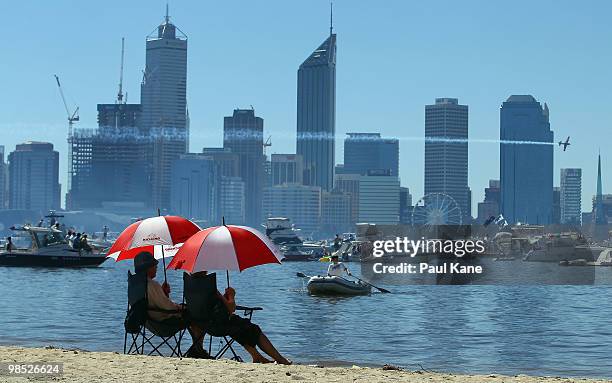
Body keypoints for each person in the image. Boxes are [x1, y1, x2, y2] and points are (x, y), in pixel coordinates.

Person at [191, 271, 291, 364]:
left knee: (240, 326)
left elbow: (212, 305)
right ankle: (279, 359)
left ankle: (257, 356)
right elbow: (231, 308)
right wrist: (231, 296)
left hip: (202, 323)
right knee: (252, 328)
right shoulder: (209, 285)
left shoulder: (191, 285)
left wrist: (224, 297)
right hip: (218, 326)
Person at [133, 252, 209, 359]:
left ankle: (197, 349)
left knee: (190, 314)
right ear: (148, 268)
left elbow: (156, 303)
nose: (156, 267)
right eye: (154, 265)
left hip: (147, 321)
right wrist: (180, 307)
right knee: (197, 317)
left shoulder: (136, 283)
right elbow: (168, 308)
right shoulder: (152, 285)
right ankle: (198, 349)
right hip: (164, 322)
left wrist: (164, 294)